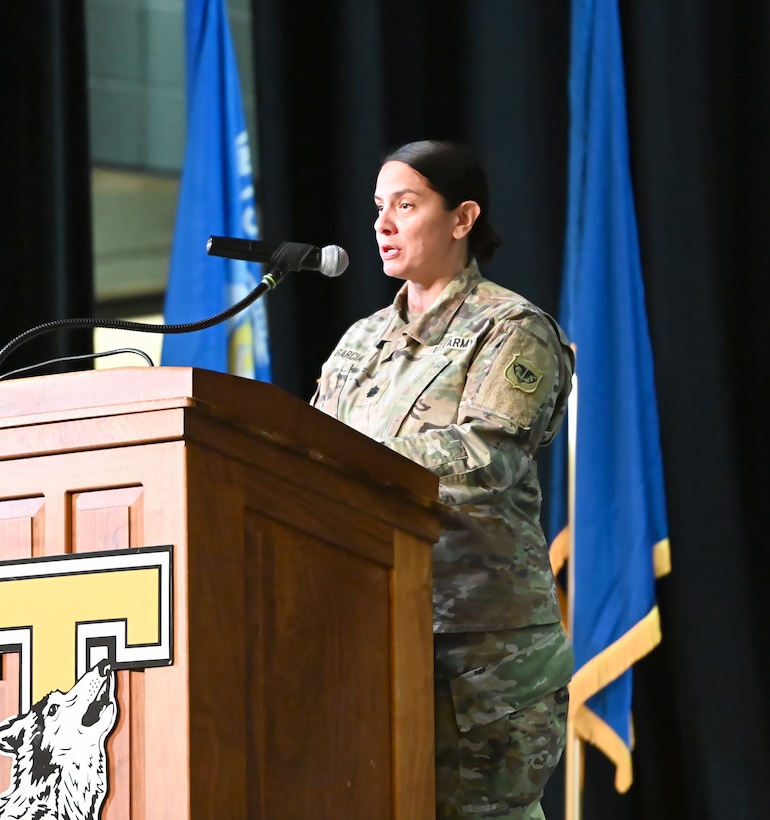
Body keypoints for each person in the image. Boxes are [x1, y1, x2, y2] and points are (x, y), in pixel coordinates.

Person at [310, 140, 574, 819]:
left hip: (481, 653)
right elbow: (303, 465)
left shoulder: (511, 328)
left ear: (461, 219)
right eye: (377, 208)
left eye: (406, 204)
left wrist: (355, 452)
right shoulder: (358, 343)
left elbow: (489, 454)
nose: (382, 224)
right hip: (370, 632)